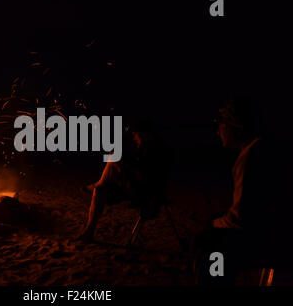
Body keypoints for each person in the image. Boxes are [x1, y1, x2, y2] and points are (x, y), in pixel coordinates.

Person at [192, 96, 278, 285]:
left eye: (221, 126)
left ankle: (214, 280)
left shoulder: (250, 157)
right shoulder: (261, 149)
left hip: (267, 239)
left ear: (234, 127)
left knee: (208, 244)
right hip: (274, 230)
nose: (218, 132)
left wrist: (215, 224)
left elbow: (241, 217)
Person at [76, 118, 173, 242]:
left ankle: (98, 183)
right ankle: (89, 232)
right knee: (100, 190)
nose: (134, 138)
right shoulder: (145, 146)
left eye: (136, 134)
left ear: (145, 134)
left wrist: (123, 165)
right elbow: (138, 166)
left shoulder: (159, 151)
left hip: (145, 193)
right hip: (134, 186)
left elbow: (147, 178)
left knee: (114, 161)